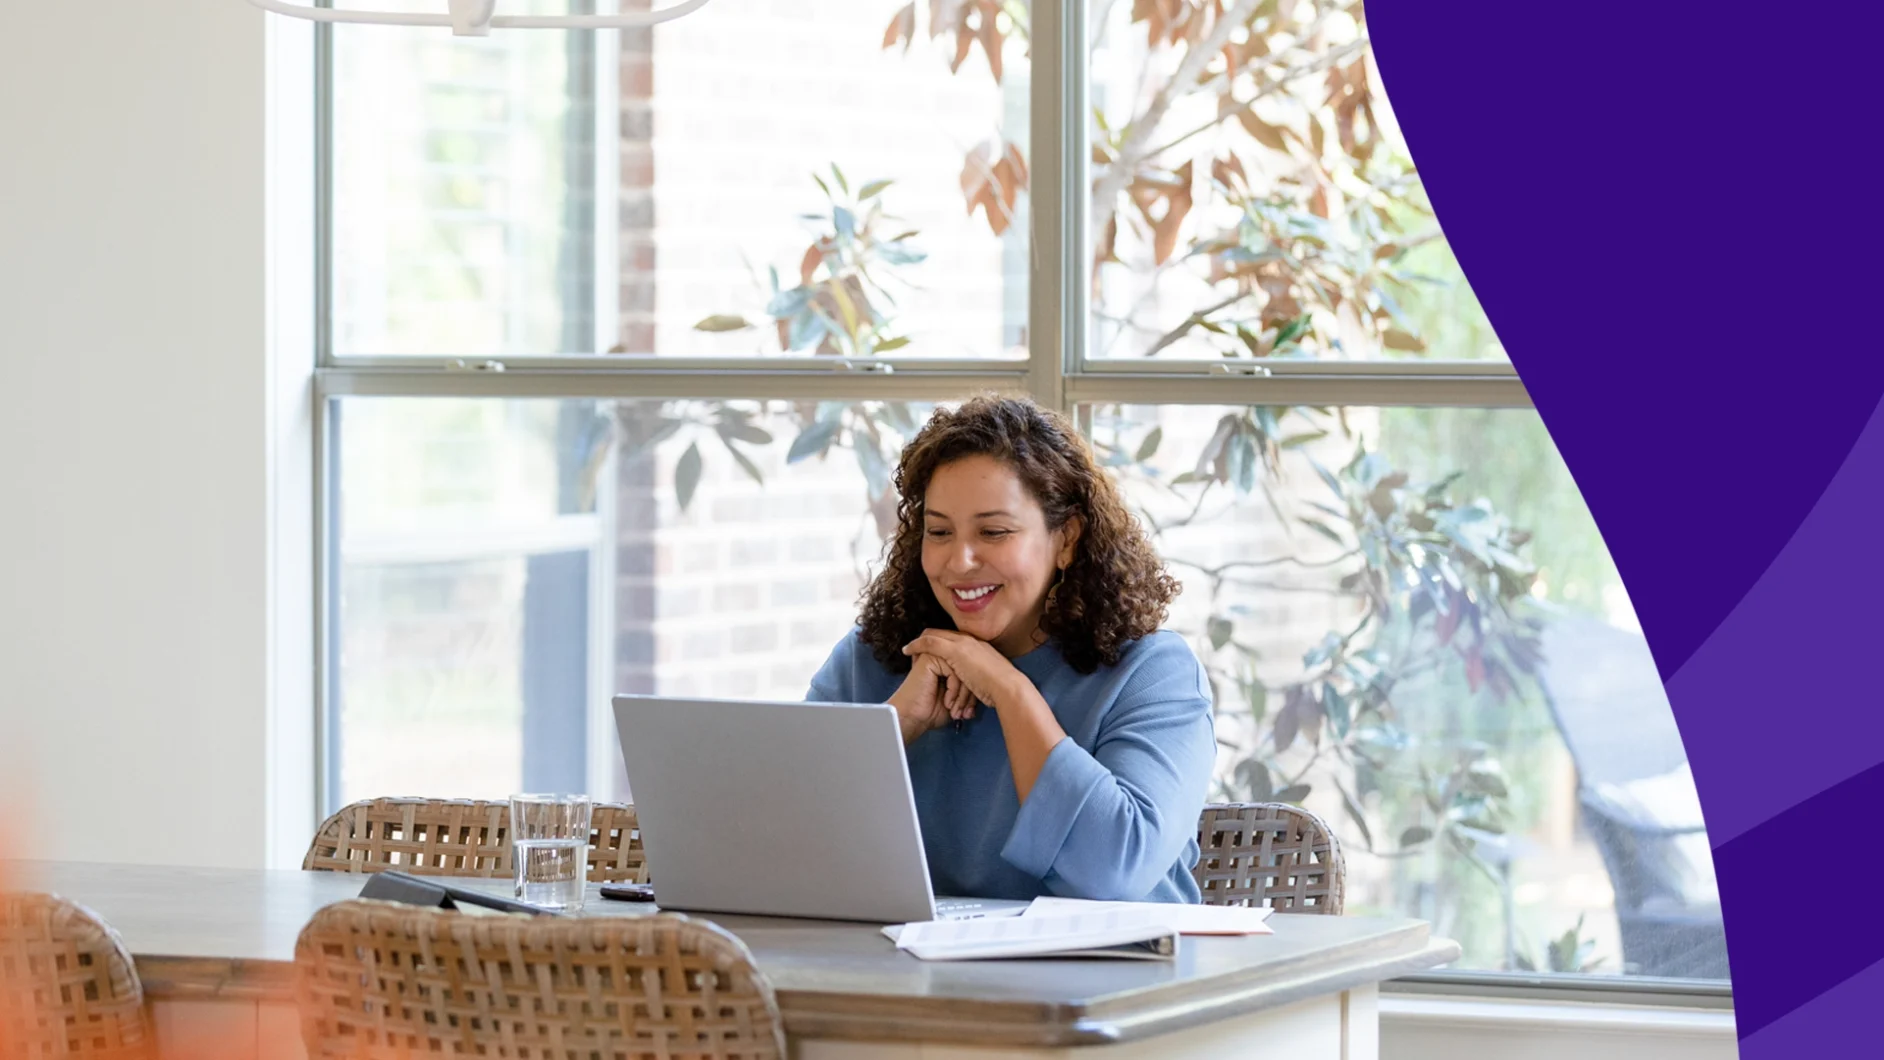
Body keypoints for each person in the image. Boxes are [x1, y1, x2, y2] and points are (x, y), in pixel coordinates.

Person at [807, 396, 1214, 903]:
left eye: (993, 532)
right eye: (939, 532)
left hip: (1112, 977)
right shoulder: (875, 658)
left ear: (1066, 539)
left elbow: (1116, 871)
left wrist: (1011, 691)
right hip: (903, 977)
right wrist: (895, 725)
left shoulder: (1153, 675)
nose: (959, 561)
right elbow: (776, 843)